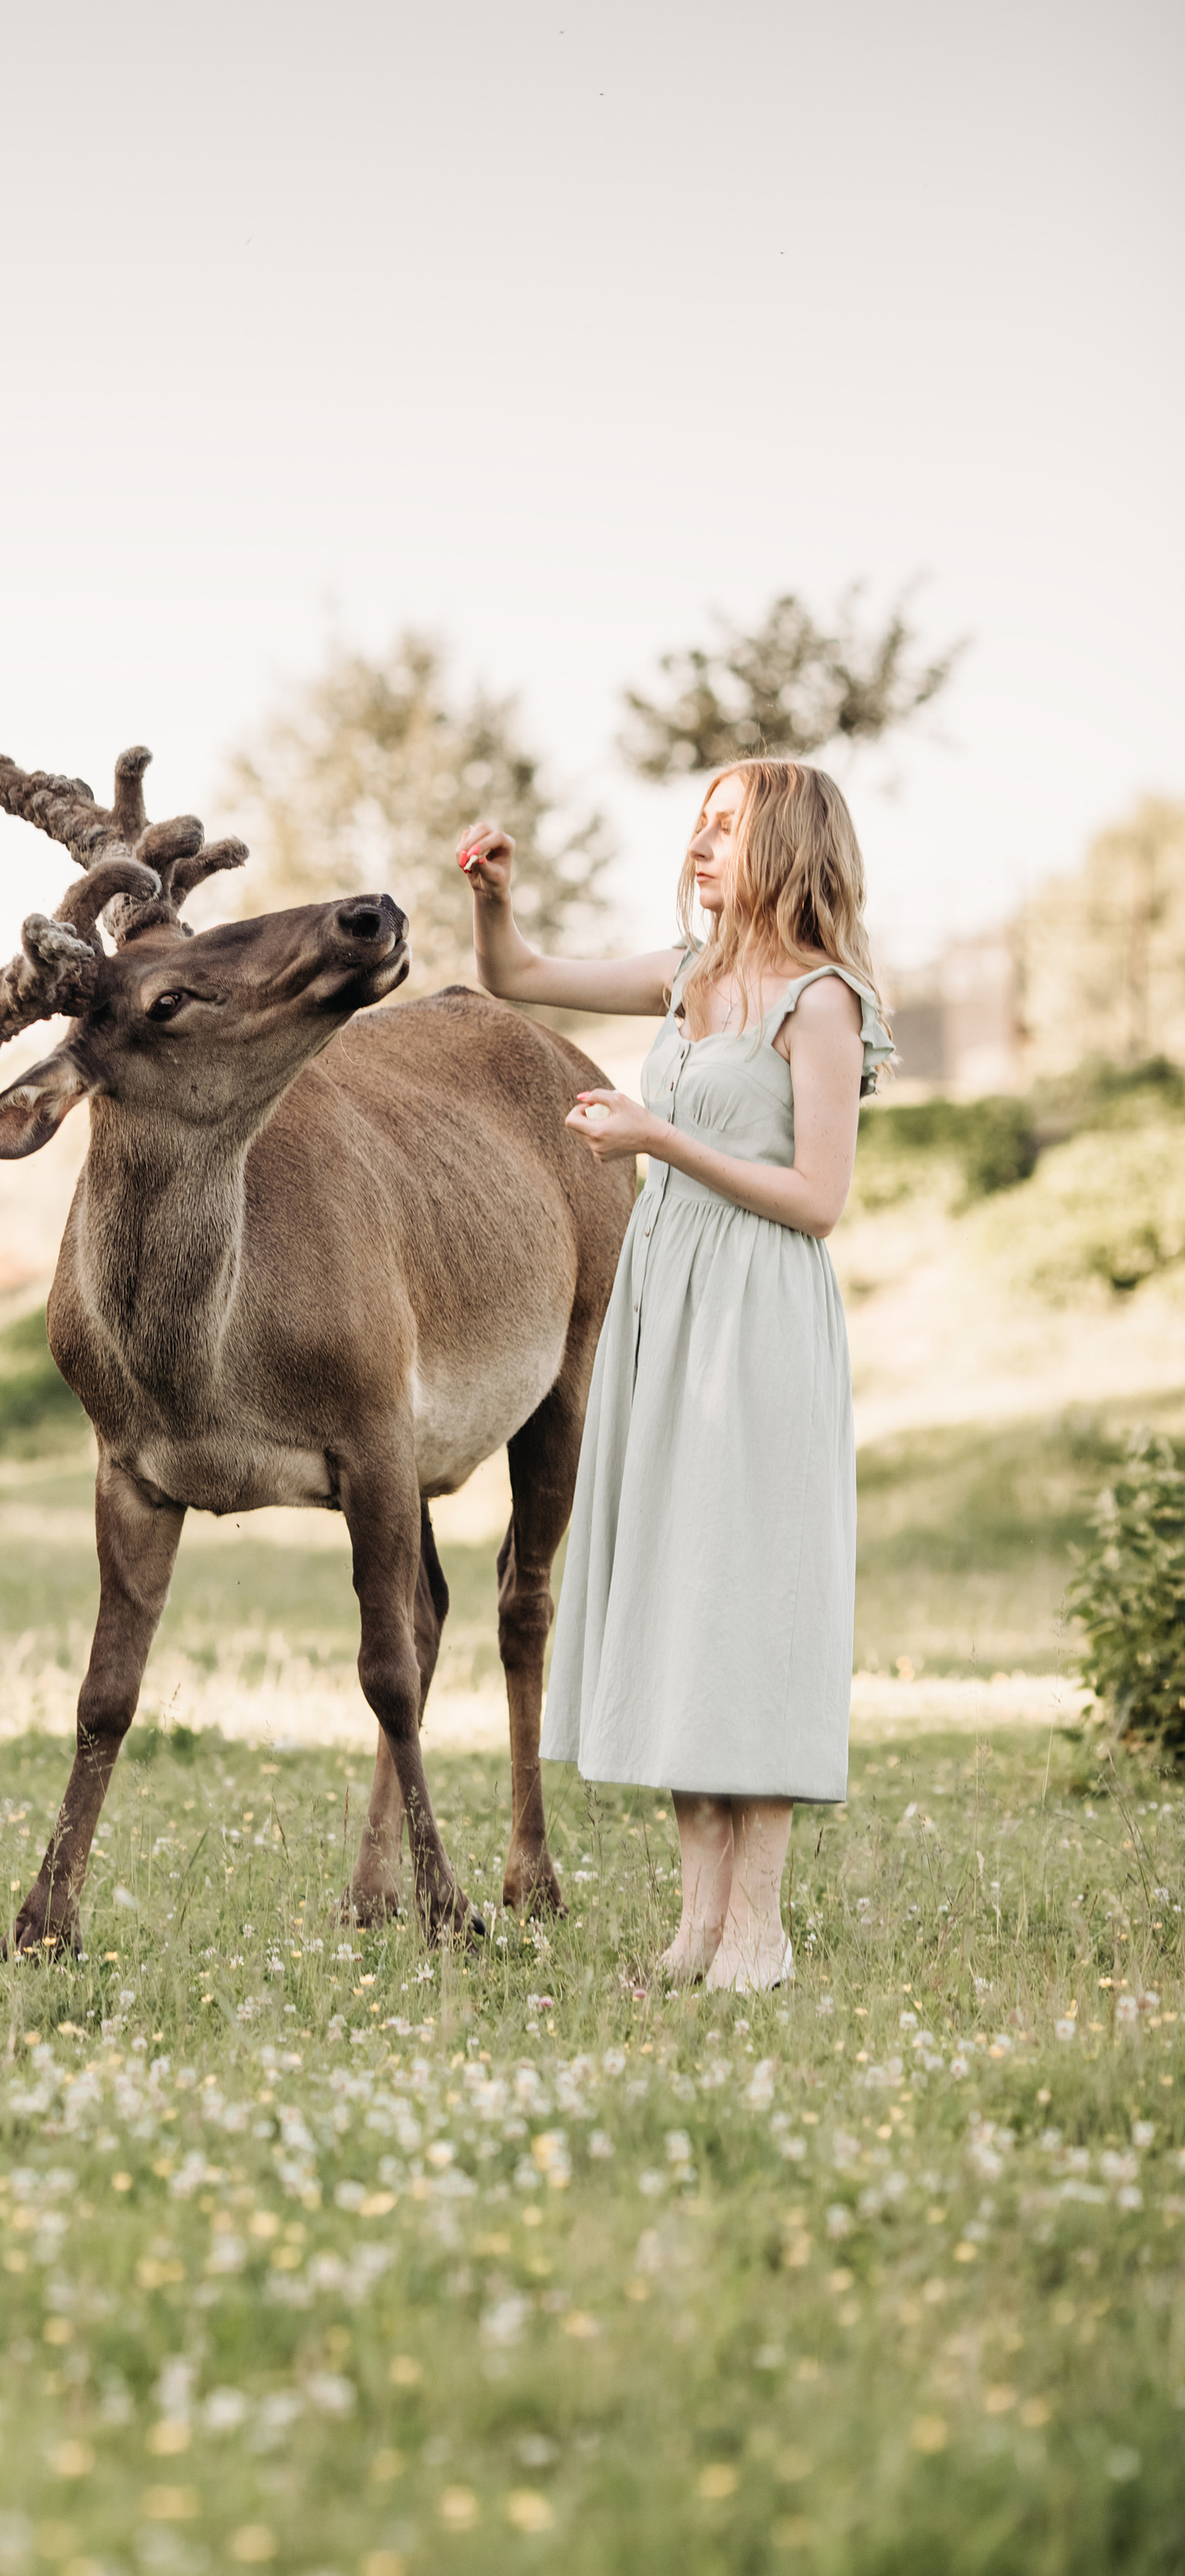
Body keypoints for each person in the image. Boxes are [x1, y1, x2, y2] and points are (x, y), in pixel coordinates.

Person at [457, 761, 894, 1992]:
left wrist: (658, 1137)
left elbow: (817, 1199)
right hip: (666, 1307)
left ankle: (759, 1924)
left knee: (750, 1598)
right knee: (683, 1595)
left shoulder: (820, 1002)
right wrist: (495, 899)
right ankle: (697, 1924)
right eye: (697, 826)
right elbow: (518, 976)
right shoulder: (686, 973)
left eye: (726, 829)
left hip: (758, 1314)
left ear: (789, 847)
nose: (698, 846)